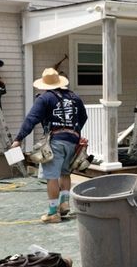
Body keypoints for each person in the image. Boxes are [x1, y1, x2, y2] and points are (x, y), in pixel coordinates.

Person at [11, 68, 87, 224]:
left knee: (51, 176)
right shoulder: (74, 97)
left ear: (45, 85)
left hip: (56, 141)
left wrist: (19, 138)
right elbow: (83, 117)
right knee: (65, 172)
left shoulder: (45, 98)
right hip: (72, 141)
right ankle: (64, 204)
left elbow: (31, 119)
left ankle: (53, 213)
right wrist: (75, 132)